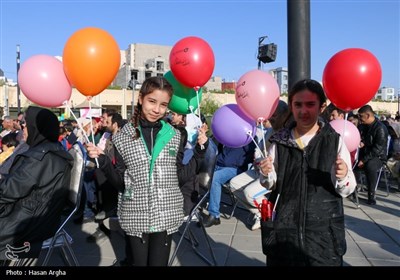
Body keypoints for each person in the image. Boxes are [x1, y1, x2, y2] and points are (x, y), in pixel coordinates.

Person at [86, 76, 209, 266]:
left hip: (166, 214)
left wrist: (200, 153)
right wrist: (103, 161)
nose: (157, 109)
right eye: (152, 101)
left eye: (163, 104)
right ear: (141, 98)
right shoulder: (122, 137)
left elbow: (178, 177)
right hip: (136, 215)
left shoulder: (175, 136)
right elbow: (120, 183)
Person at [259, 79, 356, 266]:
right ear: (291, 107)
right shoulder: (279, 142)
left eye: (310, 104)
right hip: (284, 235)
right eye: (298, 105)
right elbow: (270, 184)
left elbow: (347, 189)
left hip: (323, 238)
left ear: (322, 107)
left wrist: (342, 176)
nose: (303, 111)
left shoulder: (334, 141)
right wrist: (266, 173)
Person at [0, 106, 73, 262]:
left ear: (37, 127)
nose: (22, 126)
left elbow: (8, 191)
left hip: (26, 221)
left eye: (25, 123)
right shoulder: (49, 151)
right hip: (34, 217)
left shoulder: (40, 158)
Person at [229, 100, 289, 231]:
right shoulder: (270, 131)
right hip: (259, 169)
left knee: (249, 193)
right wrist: (258, 159)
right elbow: (259, 149)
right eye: (270, 115)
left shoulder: (289, 133)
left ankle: (271, 216)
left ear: (285, 115)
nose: (271, 118)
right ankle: (260, 213)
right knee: (234, 184)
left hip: (274, 175)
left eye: (275, 115)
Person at [202, 139, 256, 228]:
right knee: (198, 168)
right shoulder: (229, 132)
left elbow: (251, 155)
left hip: (235, 168)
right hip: (219, 163)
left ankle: (214, 215)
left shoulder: (247, 136)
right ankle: (191, 205)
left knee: (215, 178)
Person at [354, 105, 389, 205]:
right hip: (365, 153)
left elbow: (377, 149)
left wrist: (364, 160)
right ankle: (353, 190)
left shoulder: (380, 128)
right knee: (353, 163)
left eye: (361, 116)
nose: (359, 119)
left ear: (368, 115)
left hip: (378, 157)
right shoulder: (363, 126)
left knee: (370, 166)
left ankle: (371, 194)